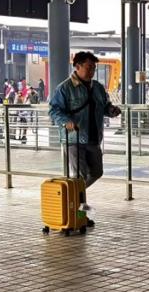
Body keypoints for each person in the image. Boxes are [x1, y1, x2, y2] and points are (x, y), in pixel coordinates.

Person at [49, 51, 121, 227]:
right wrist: (66, 121)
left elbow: (104, 106)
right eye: (89, 68)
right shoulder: (65, 88)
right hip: (74, 139)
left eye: (94, 68)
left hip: (94, 138)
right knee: (80, 178)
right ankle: (80, 215)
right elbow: (54, 110)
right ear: (77, 66)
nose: (92, 72)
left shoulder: (98, 87)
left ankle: (70, 196)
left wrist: (111, 110)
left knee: (96, 172)